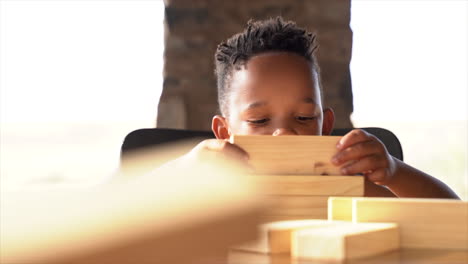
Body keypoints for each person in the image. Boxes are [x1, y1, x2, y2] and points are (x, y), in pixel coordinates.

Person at [177, 17, 459, 199]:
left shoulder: (346, 189)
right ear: (224, 133)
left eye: (303, 117)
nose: (285, 134)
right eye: (260, 120)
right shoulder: (208, 197)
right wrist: (179, 171)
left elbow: (454, 219)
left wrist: (395, 171)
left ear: (324, 126)